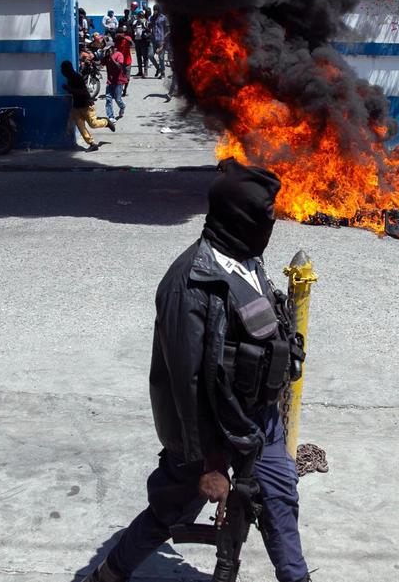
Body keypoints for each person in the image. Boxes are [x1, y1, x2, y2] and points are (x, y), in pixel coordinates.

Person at [80, 158, 312, 582]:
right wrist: (210, 463)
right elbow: (185, 383)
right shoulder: (188, 282)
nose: (272, 224)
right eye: (266, 216)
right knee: (172, 510)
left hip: (260, 422)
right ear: (240, 218)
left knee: (280, 500)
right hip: (211, 433)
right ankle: (109, 574)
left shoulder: (246, 259)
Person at [61, 60, 115, 152]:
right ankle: (92, 144)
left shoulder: (77, 78)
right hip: (76, 106)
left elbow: (83, 92)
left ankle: (106, 121)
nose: (61, 71)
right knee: (80, 126)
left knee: (93, 124)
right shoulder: (70, 78)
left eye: (63, 69)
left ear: (67, 70)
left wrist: (69, 89)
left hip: (86, 105)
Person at [103, 46, 129, 121]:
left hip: (118, 81)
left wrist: (111, 58)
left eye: (109, 49)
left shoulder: (119, 55)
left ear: (113, 48)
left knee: (118, 99)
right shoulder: (107, 57)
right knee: (108, 99)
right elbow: (100, 64)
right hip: (110, 81)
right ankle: (111, 117)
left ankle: (122, 106)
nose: (108, 51)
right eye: (106, 50)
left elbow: (119, 66)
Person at [149, 4, 169, 78]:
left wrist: (164, 39)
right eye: (154, 10)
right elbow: (150, 27)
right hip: (153, 40)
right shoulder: (151, 18)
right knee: (150, 55)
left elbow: (168, 30)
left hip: (161, 40)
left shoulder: (163, 18)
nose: (155, 11)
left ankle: (162, 72)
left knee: (161, 57)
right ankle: (158, 68)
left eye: (156, 10)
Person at [131, 9, 151, 77]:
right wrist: (136, 23)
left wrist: (143, 25)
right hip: (137, 41)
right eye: (139, 15)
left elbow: (149, 30)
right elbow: (132, 28)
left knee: (145, 57)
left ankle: (145, 72)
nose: (140, 16)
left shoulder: (146, 21)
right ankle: (140, 71)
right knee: (138, 57)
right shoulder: (135, 22)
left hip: (144, 41)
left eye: (141, 15)